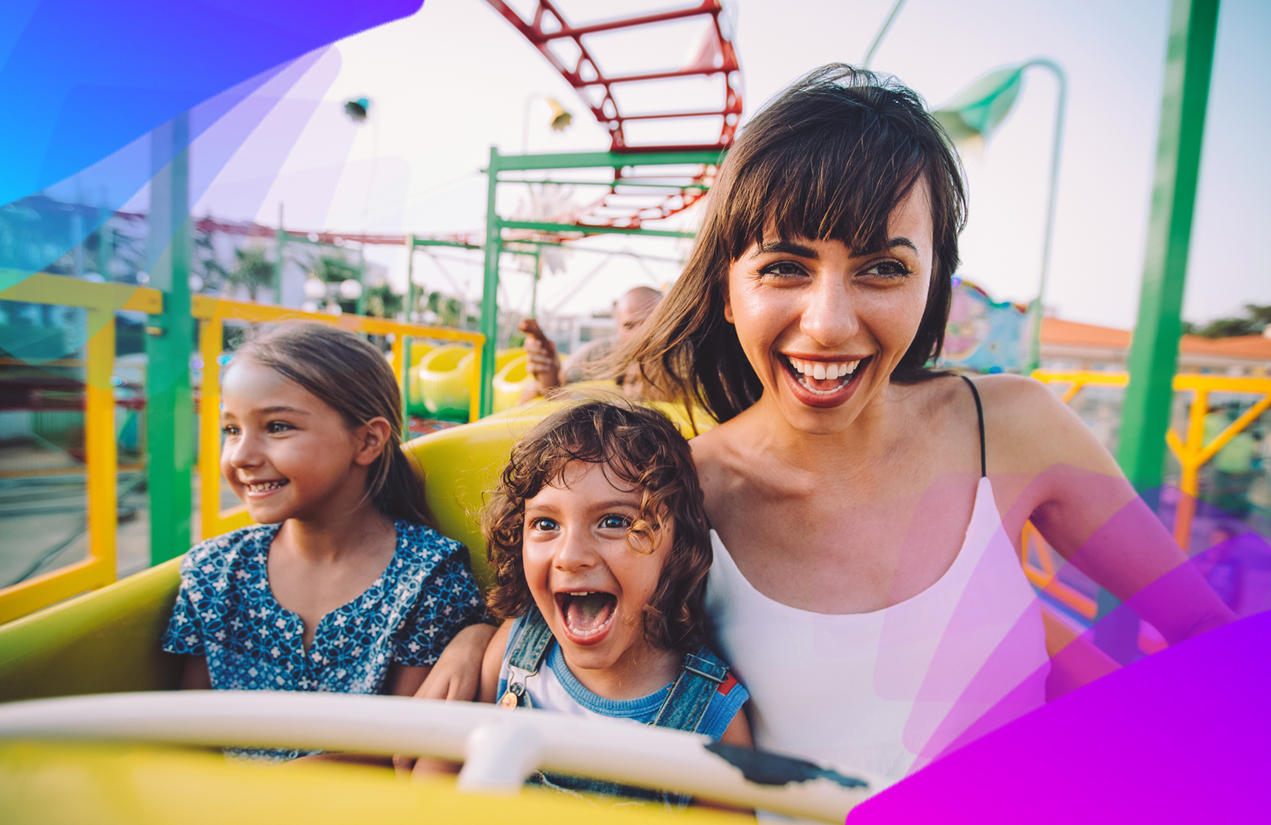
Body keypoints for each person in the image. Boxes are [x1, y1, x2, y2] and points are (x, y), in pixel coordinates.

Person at [424, 65, 1233, 786]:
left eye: (882, 268)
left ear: (933, 283)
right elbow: (583, 609)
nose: (828, 322)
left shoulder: (1010, 427)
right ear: (728, 283)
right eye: (785, 266)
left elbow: (1204, 636)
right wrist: (474, 642)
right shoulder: (681, 492)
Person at [161, 322, 487, 761]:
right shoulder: (214, 571)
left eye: (277, 426)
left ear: (368, 440)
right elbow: (190, 739)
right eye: (232, 429)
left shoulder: (428, 576)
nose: (241, 456)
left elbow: (402, 756)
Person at [416, 399, 751, 806]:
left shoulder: (711, 714)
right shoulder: (514, 649)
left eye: (614, 521)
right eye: (545, 524)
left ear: (678, 544)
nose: (571, 555)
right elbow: (432, 785)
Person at [517, 286, 663, 400]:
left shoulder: (680, 359)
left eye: (649, 323)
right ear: (617, 325)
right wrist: (548, 373)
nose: (640, 334)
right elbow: (550, 388)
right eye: (629, 325)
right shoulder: (598, 353)